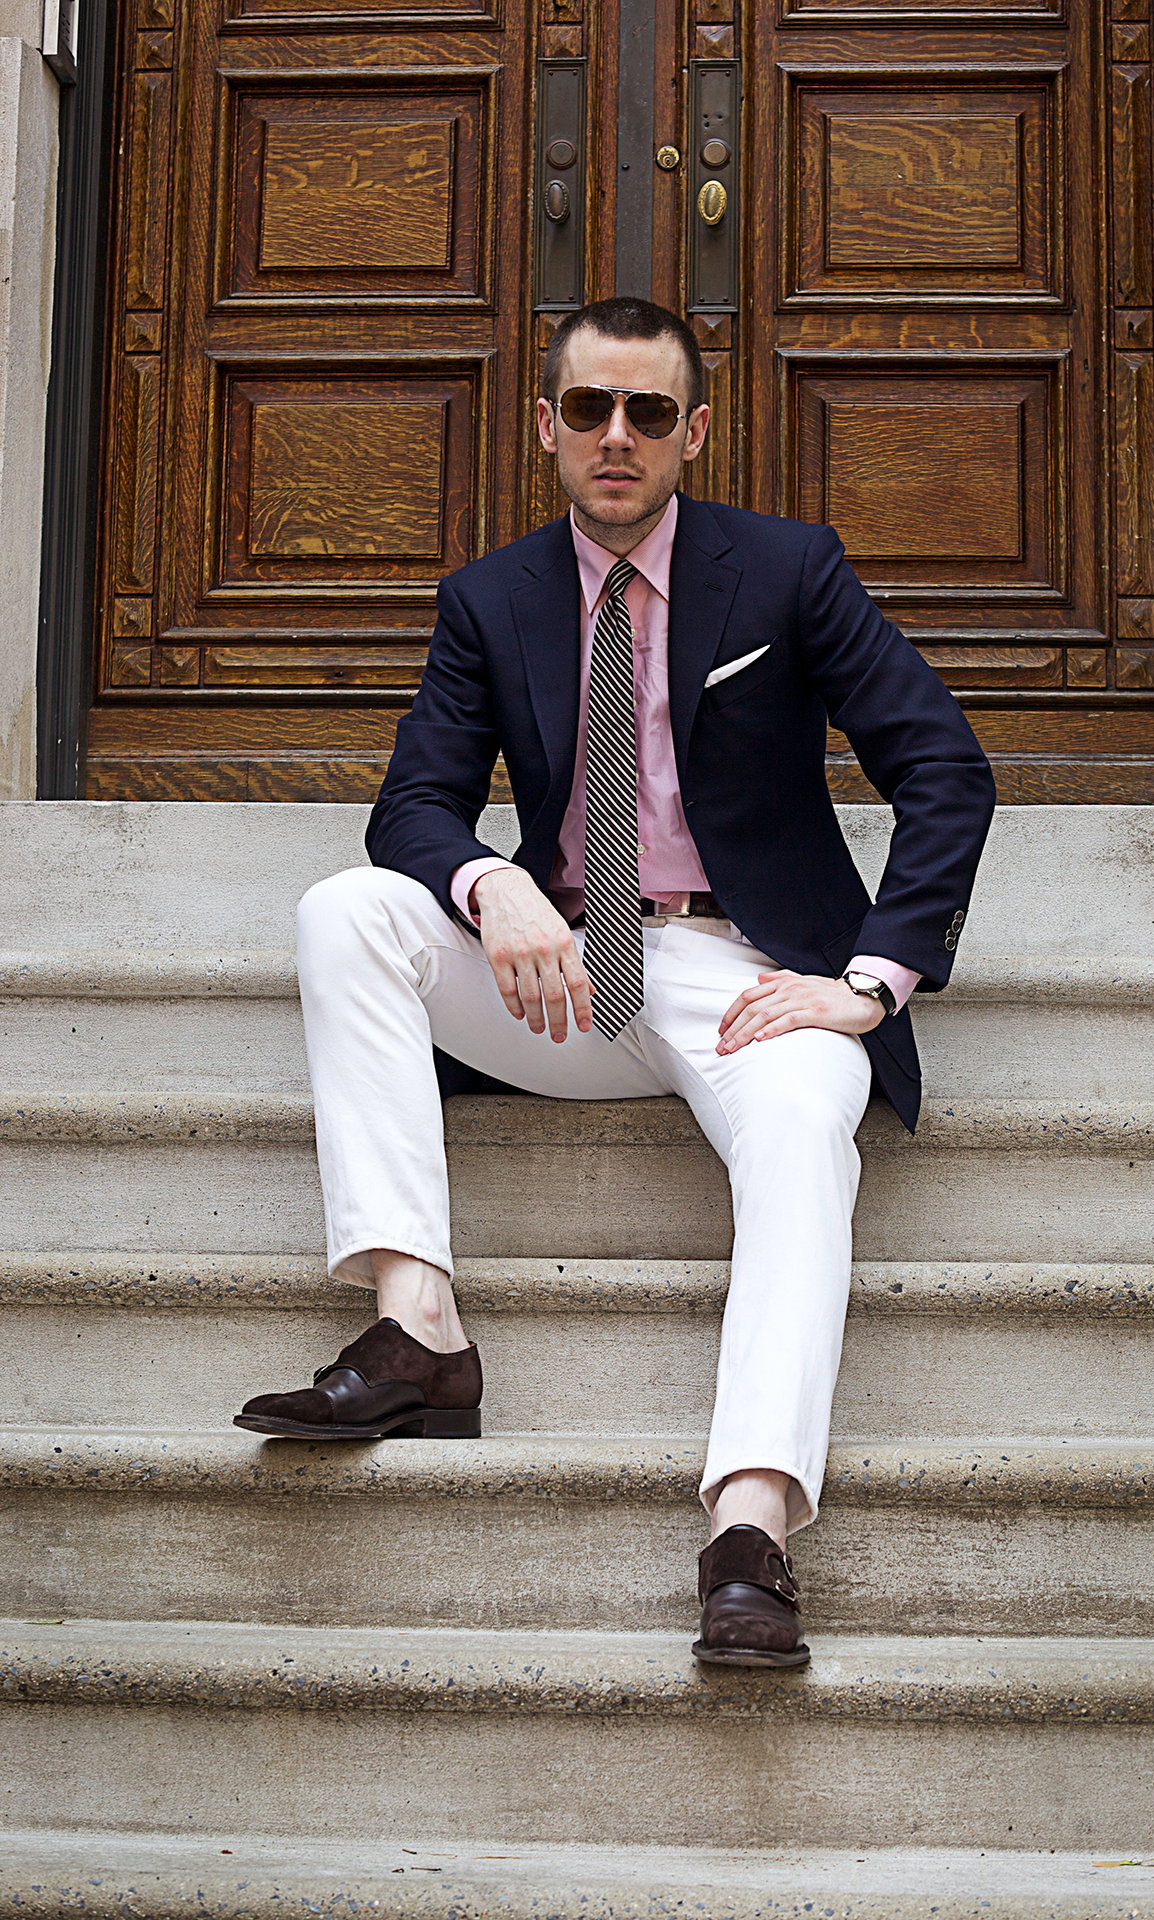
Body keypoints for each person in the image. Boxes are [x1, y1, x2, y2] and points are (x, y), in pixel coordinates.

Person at [235, 296, 996, 1669]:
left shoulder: (787, 572)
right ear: (547, 426)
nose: (617, 437)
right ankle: (420, 1330)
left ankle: (748, 1529)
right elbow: (412, 807)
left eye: (648, 412)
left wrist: (872, 982)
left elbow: (945, 767)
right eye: (589, 408)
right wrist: (492, 883)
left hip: (752, 974)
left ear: (693, 432)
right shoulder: (490, 598)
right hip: (581, 971)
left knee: (801, 1132)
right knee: (349, 910)